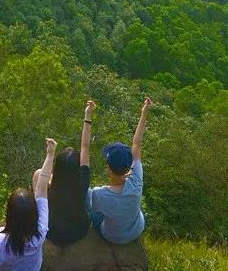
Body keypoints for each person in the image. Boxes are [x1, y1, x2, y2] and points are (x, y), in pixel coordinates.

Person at [0, 137, 57, 271]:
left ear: (9, 215)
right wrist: (50, 155)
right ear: (34, 215)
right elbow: (42, 187)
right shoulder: (41, 231)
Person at [88, 96, 152, 244]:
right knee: (139, 212)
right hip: (136, 229)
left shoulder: (98, 193)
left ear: (108, 168)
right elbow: (137, 144)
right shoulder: (136, 179)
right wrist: (144, 113)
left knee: (93, 214)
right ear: (129, 165)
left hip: (112, 236)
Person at [40, 100, 96, 245]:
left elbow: (42, 177)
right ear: (77, 168)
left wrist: (50, 153)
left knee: (38, 175)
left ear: (56, 169)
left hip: (52, 233)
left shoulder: (49, 189)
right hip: (78, 232)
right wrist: (87, 116)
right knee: (89, 194)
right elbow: (85, 147)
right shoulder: (82, 180)